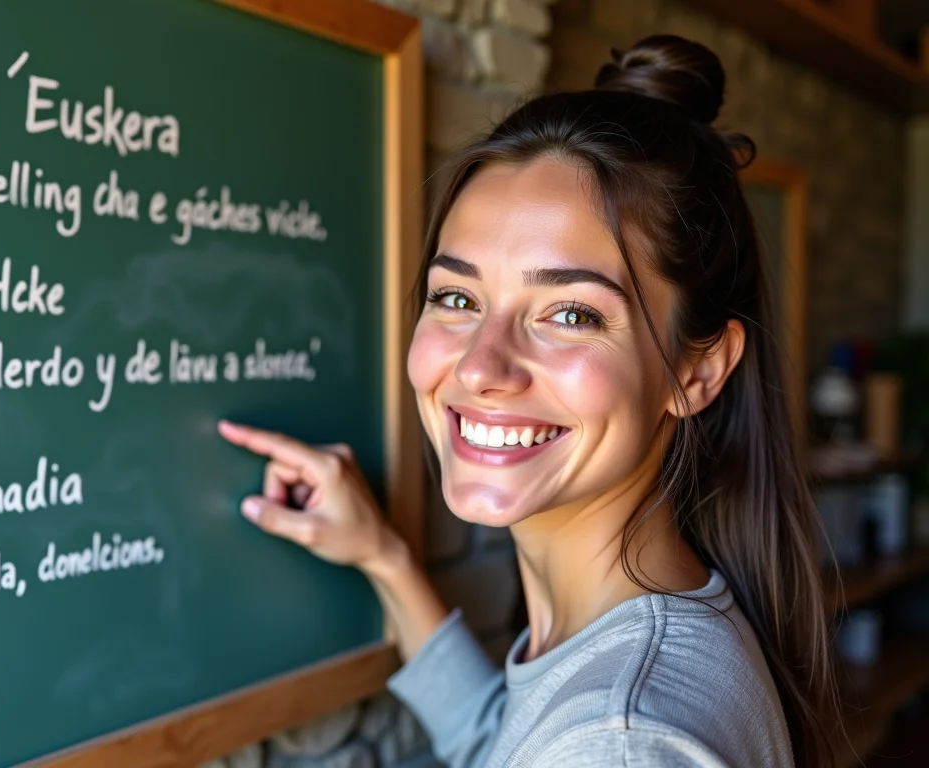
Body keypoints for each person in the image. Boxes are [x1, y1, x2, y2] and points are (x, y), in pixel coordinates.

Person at [218, 34, 841, 768]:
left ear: (697, 372)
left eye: (571, 314)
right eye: (456, 297)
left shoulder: (624, 741)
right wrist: (383, 558)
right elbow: (503, 743)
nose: (483, 366)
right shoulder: (629, 647)